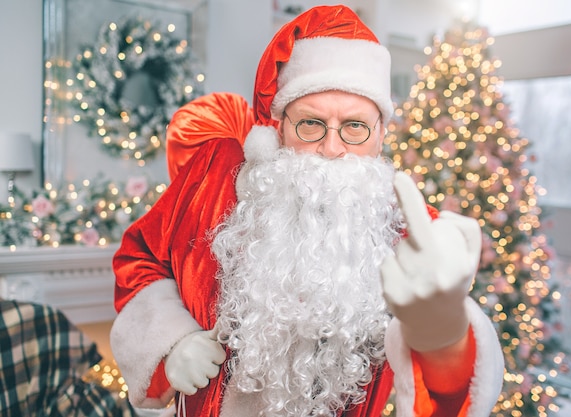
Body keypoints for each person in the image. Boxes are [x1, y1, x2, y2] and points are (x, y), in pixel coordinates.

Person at [110, 5, 504, 417]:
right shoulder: (215, 177)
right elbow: (140, 261)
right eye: (311, 124)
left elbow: (449, 394)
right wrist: (172, 342)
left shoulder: (412, 229)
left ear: (381, 135)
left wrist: (444, 337)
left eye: (355, 127)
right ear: (278, 127)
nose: (332, 149)